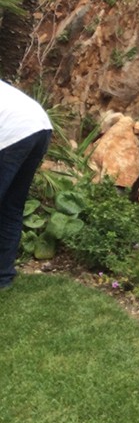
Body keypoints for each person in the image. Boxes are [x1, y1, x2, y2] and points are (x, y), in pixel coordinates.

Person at [0, 79, 53, 290]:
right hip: (40, 126)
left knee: (10, 207)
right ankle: (3, 277)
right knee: (11, 207)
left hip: (13, 132)